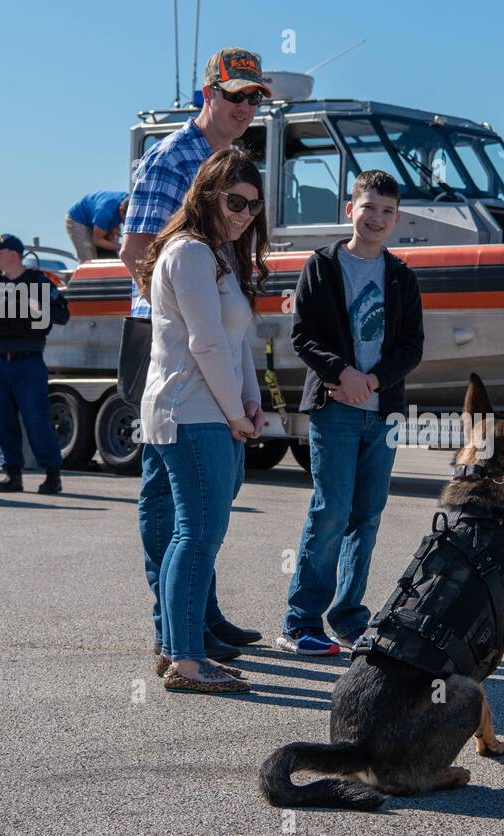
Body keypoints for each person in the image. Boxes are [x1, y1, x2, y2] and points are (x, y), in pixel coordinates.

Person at [120, 46, 272, 662]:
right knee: (169, 494)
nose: (244, 106)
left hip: (209, 339)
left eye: (254, 97)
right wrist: (180, 318)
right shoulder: (172, 158)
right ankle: (174, 628)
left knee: (202, 497)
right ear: (206, 95)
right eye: (234, 94)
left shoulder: (234, 163)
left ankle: (200, 614)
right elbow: (136, 251)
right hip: (167, 346)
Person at [136, 148, 269, 694]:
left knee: (191, 535)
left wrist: (252, 400)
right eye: (235, 201)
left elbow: (236, 343)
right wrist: (236, 414)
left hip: (210, 411)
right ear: (208, 193)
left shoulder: (216, 256)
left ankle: (178, 652)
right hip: (191, 411)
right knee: (196, 535)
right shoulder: (188, 252)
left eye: (253, 207)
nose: (243, 214)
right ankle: (187, 661)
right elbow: (206, 344)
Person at [280, 170, 425, 656]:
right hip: (336, 407)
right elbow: (303, 336)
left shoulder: (402, 277)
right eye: (368, 208)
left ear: (397, 217)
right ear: (350, 210)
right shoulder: (320, 266)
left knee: (367, 516)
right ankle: (301, 622)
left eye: (387, 211)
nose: (377, 218)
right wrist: (342, 373)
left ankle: (349, 619)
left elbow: (411, 347)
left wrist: (376, 380)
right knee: (331, 510)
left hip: (383, 411)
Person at [0, 234, 70, 494]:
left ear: (13, 255)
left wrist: (34, 302)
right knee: (2, 419)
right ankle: (12, 474)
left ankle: (52, 475)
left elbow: (63, 315)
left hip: (28, 361)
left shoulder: (38, 282)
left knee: (36, 419)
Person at [65, 191, 128, 260]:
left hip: (99, 215)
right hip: (78, 220)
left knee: (112, 247)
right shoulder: (105, 213)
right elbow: (98, 240)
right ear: (122, 212)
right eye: (128, 219)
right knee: (89, 257)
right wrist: (122, 247)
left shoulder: (131, 201)